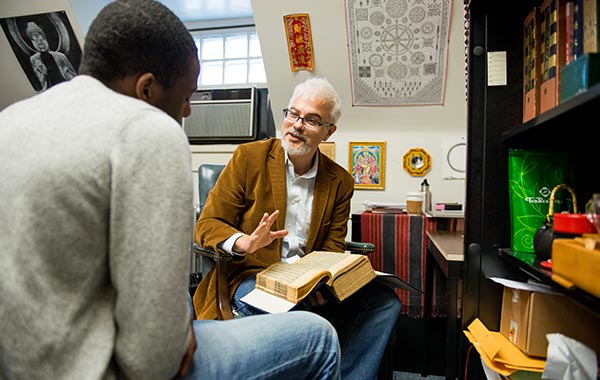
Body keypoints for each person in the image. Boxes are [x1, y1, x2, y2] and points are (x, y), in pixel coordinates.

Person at [0, 1, 341, 379]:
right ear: (146, 88)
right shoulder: (150, 132)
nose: (188, 111)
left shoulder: (11, 119)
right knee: (319, 336)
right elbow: (154, 354)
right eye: (186, 97)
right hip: (92, 365)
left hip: (20, 361)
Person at [193, 76, 402, 380]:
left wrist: (322, 281)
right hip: (253, 278)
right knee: (293, 313)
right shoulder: (249, 158)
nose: (297, 125)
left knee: (384, 303)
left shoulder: (339, 182)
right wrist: (243, 243)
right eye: (293, 113)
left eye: (312, 120)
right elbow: (208, 224)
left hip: (308, 283)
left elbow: (332, 247)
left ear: (329, 132)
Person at [26, 21, 77, 90]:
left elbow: (74, 76)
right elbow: (40, 82)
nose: (39, 43)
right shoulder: (34, 59)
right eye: (35, 40)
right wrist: (43, 74)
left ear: (46, 39)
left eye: (41, 39)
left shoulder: (60, 56)